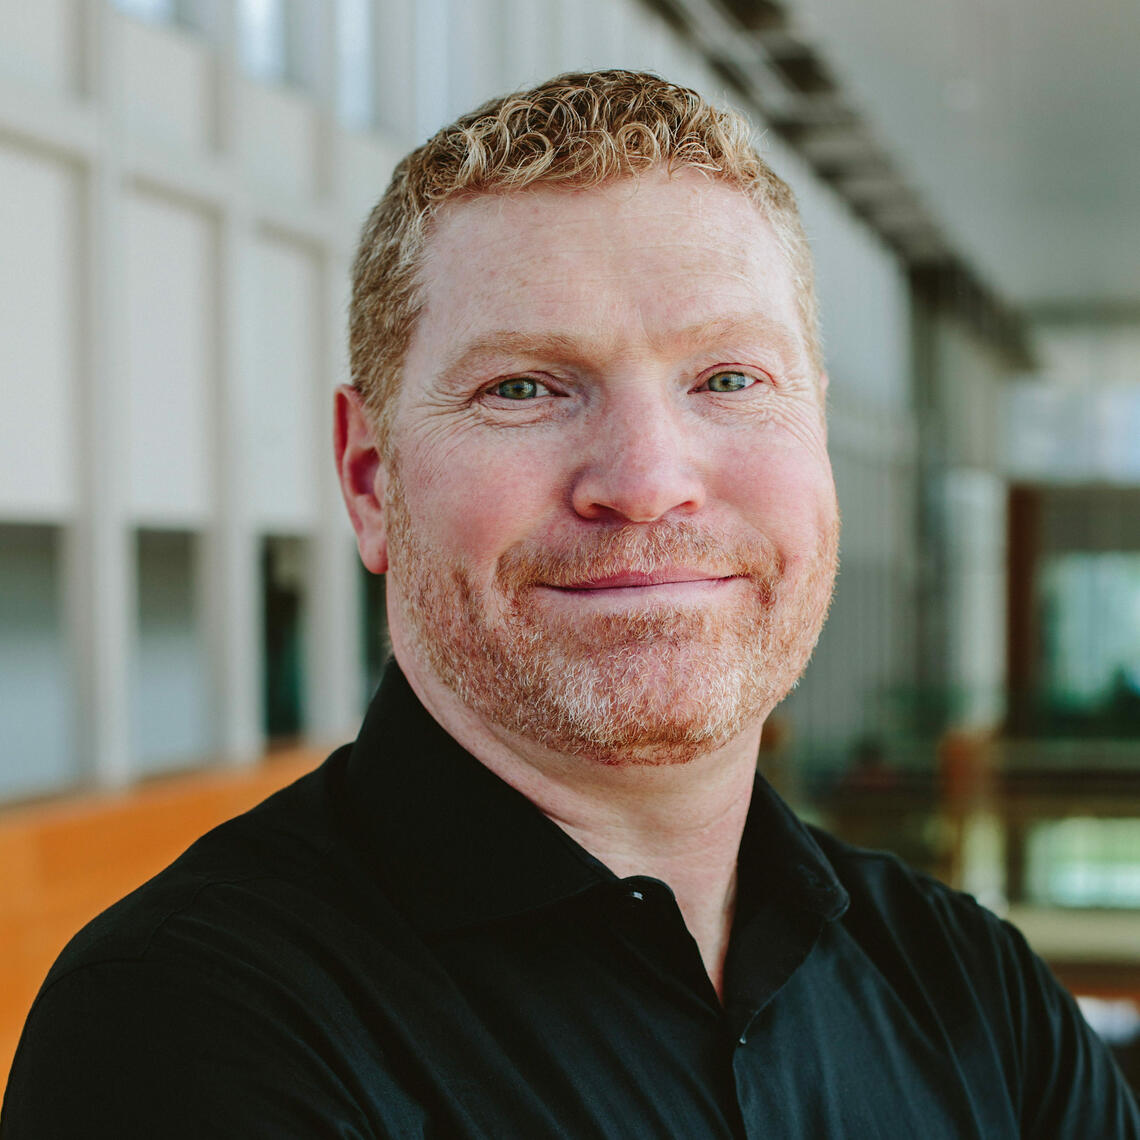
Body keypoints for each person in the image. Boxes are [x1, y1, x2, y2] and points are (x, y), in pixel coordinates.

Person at [2, 70, 1137, 1139]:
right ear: (370, 479)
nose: (645, 481)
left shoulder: (978, 995)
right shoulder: (183, 1024)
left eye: (728, 379)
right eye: (524, 388)